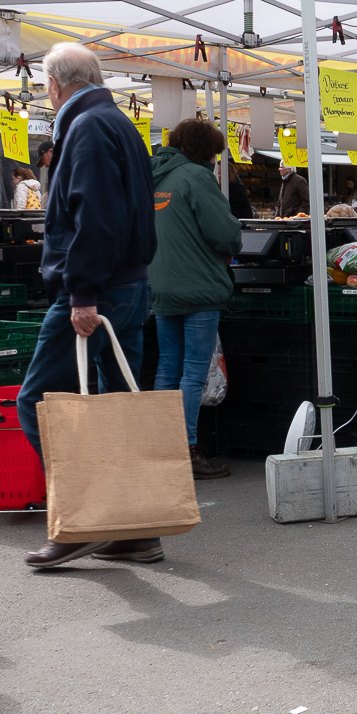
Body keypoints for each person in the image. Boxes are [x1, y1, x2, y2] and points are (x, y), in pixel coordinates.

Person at [18, 43, 159, 569]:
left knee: (40, 404)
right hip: (123, 286)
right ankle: (136, 530)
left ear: (55, 84)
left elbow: (94, 216)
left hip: (99, 292)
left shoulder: (88, 127)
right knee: (117, 408)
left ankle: (82, 518)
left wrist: (81, 295)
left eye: (44, 88)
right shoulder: (113, 121)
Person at [149, 119, 241, 480]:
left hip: (161, 284)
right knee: (193, 370)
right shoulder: (196, 178)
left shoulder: (157, 177)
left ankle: (164, 448)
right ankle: (186, 447)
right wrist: (234, 238)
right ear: (205, 151)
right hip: (199, 287)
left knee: (167, 367)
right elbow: (223, 232)